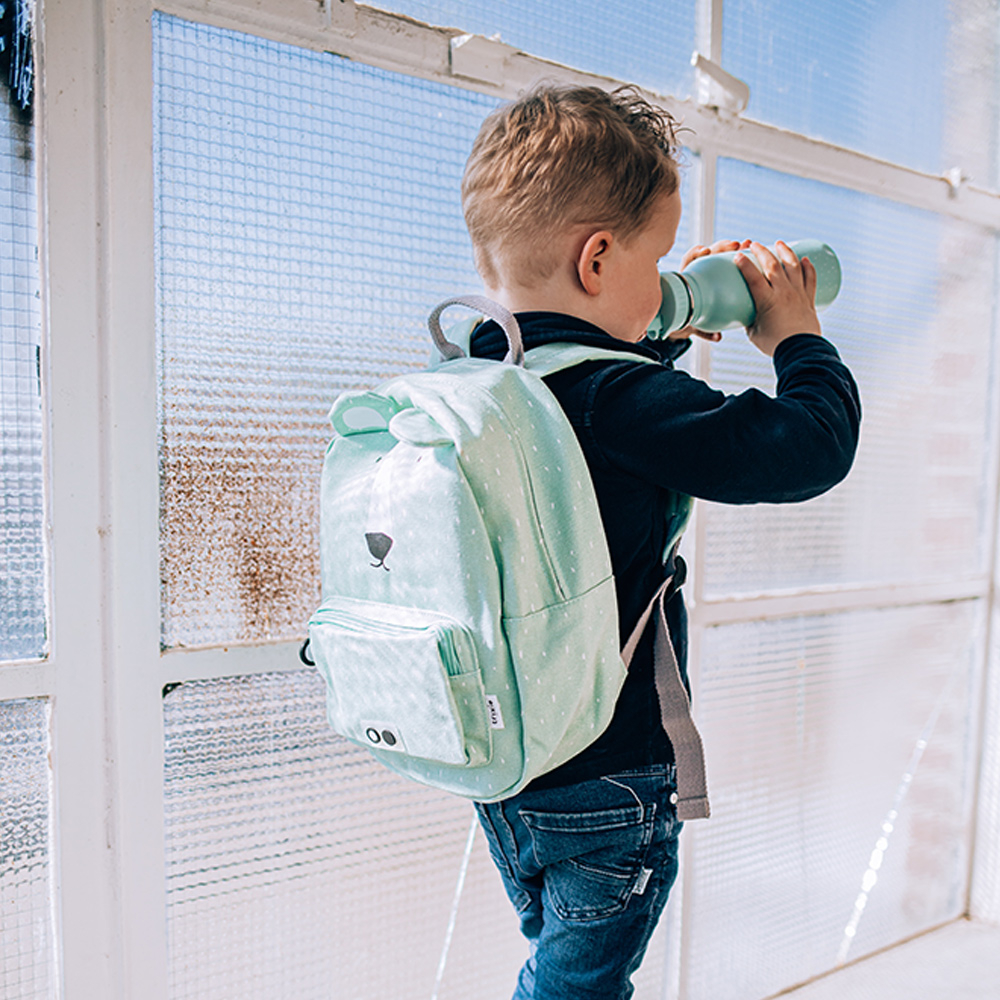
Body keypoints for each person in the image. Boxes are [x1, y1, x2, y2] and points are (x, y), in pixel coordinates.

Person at [462, 85, 861, 1000]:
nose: (666, 279)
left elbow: (598, 409)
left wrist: (660, 327)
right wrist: (796, 338)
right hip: (606, 777)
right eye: (657, 258)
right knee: (579, 988)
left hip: (503, 763)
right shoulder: (618, 400)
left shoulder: (481, 379)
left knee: (561, 956)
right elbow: (808, 449)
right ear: (598, 257)